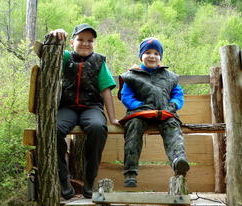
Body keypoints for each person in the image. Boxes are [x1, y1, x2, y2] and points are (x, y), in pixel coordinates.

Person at [49, 23, 121, 199]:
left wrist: (112, 118)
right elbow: (46, 53)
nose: (86, 43)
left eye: (90, 40)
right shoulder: (65, 57)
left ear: (95, 43)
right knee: (55, 129)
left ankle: (90, 177)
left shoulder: (99, 61)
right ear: (72, 42)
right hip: (68, 108)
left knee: (97, 127)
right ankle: (63, 178)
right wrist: (54, 34)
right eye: (80, 39)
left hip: (91, 108)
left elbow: (105, 90)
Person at [117, 37, 190, 187]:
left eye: (156, 53)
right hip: (140, 112)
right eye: (148, 52)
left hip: (165, 112)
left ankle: (178, 161)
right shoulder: (131, 76)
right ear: (141, 56)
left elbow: (178, 95)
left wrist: (173, 105)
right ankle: (130, 171)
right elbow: (126, 96)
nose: (152, 56)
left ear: (160, 57)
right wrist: (139, 105)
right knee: (133, 126)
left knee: (173, 127)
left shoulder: (170, 77)